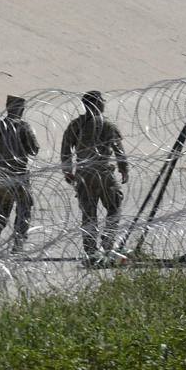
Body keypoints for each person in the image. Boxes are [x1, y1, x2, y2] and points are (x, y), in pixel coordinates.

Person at [61, 90, 128, 258]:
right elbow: (118, 150)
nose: (104, 104)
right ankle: (108, 240)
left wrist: (68, 170)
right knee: (114, 206)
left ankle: (90, 249)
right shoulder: (107, 125)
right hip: (104, 173)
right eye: (102, 101)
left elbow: (66, 149)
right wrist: (123, 169)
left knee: (88, 213)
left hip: (83, 174)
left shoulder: (76, 124)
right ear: (98, 103)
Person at [0, 95, 39, 253]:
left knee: (1, 211)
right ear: (19, 109)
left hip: (1, 177)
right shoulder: (23, 127)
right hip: (19, 177)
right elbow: (34, 149)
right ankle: (18, 245)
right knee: (24, 209)